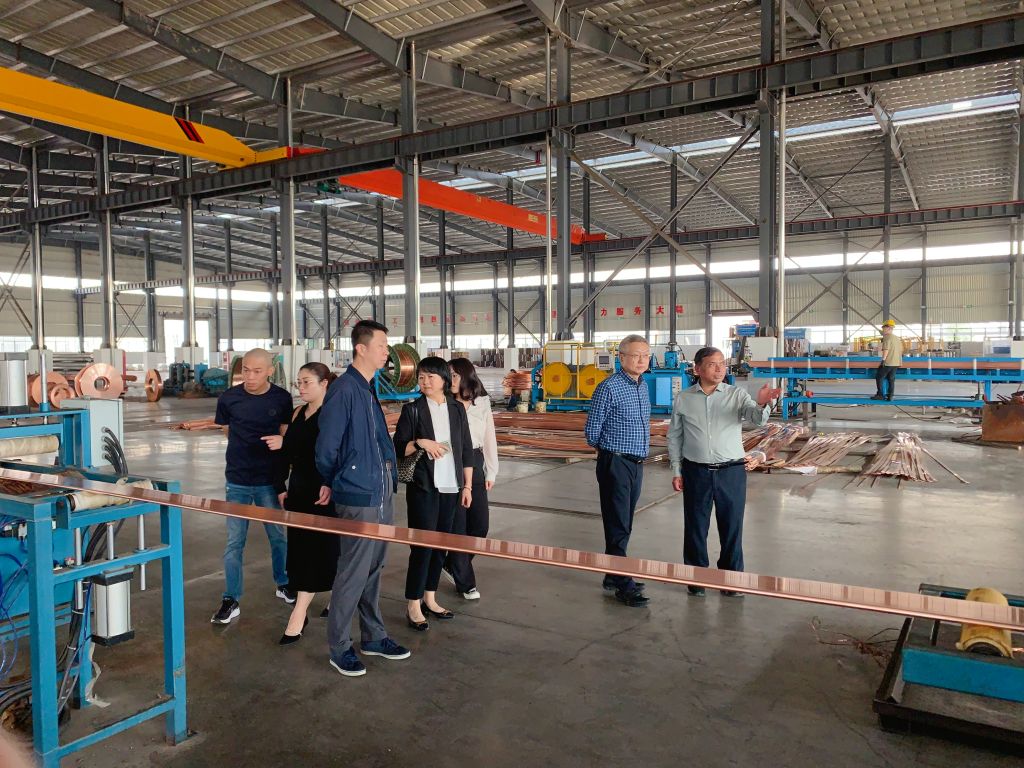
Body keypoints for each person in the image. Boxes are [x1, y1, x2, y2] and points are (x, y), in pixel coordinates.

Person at [316, 320, 411, 677]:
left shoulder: (367, 388)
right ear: (361, 348)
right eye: (382, 345)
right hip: (358, 494)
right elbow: (327, 447)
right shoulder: (345, 390)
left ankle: (374, 636)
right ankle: (340, 646)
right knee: (353, 571)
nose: (388, 352)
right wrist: (338, 480)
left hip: (381, 492)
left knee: (373, 569)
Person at [666, 347, 780, 597]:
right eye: (712, 364)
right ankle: (696, 579)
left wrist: (762, 402)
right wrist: (676, 469)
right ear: (697, 369)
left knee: (731, 527)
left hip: (731, 472)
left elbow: (757, 419)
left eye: (722, 364)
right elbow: (675, 436)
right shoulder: (684, 398)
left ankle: (731, 580)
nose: (719, 369)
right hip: (696, 471)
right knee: (695, 528)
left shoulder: (736, 395)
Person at [211, 348, 294, 625]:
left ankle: (283, 582)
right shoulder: (228, 398)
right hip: (237, 480)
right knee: (234, 542)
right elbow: (227, 431)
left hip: (269, 481)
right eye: (245, 370)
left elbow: (285, 435)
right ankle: (231, 598)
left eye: (257, 371)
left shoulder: (282, 398)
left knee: (278, 536)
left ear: (270, 371)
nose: (250, 376)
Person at [393, 357, 473, 630]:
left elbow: (465, 448)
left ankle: (430, 597)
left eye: (430, 376)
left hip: (451, 486)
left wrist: (467, 486)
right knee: (422, 546)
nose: (424, 381)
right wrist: (420, 442)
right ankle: (413, 603)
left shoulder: (456, 409)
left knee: (440, 546)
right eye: (421, 377)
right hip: (424, 487)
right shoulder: (413, 410)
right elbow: (398, 447)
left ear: (443, 380)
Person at [265, 362, 336, 645]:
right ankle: (307, 606)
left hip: (324, 492)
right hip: (299, 491)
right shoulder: (297, 413)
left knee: (323, 549)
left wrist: (331, 483)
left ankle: (300, 612)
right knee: (300, 549)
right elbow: (285, 455)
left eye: (307, 382)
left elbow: (333, 454)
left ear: (324, 384)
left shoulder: (332, 415)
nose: (302, 388)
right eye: (299, 382)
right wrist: (280, 486)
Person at [584, 334, 652, 608]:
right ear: (621, 358)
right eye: (635, 355)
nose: (641, 360)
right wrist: (608, 453)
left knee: (625, 521)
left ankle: (613, 574)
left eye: (645, 355)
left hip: (636, 464)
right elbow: (592, 431)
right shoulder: (609, 388)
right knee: (618, 523)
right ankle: (624, 583)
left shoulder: (642, 386)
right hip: (616, 463)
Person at [443, 357, 498, 600]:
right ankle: (466, 583)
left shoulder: (481, 403)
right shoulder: (443, 403)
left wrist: (491, 470)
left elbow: (489, 438)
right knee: (459, 526)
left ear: (466, 376)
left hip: (475, 462)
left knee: (479, 526)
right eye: (448, 375)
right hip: (450, 463)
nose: (450, 380)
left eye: (454, 375)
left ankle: (452, 563)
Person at [872, 320, 902, 401]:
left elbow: (886, 350)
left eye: (884, 328)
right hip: (896, 363)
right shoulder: (896, 338)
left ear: (888, 328)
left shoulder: (887, 337)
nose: (883, 330)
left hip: (888, 362)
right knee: (891, 379)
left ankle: (880, 395)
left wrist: (883, 361)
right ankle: (890, 395)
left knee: (879, 377)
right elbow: (899, 350)